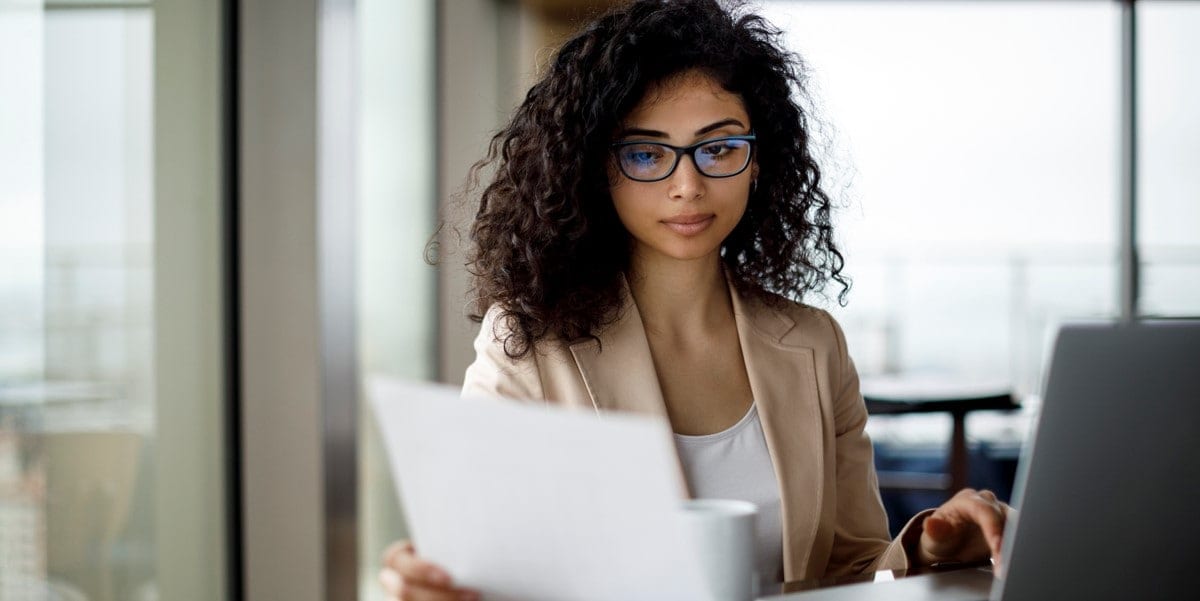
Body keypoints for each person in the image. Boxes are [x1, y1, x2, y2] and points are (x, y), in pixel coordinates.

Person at [380, 1, 1010, 599]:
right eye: (647, 154)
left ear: (759, 161)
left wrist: (927, 547)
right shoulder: (526, 343)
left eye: (719, 148)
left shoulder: (815, 344)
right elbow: (488, 563)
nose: (688, 185)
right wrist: (435, 580)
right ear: (598, 168)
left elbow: (850, 569)